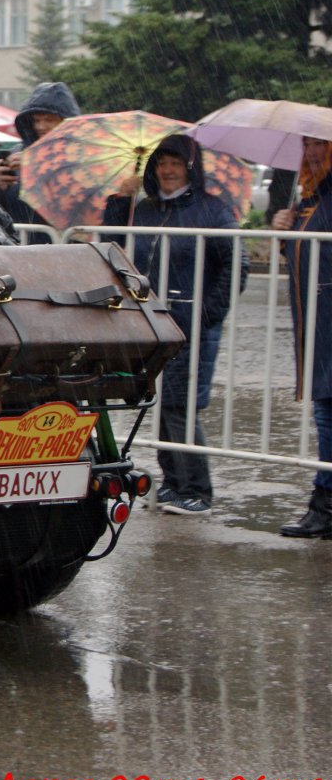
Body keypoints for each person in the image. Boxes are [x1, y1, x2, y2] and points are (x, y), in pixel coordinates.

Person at [104, 133, 243, 516]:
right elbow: (111, 245)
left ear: (190, 169)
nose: (167, 170)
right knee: (161, 402)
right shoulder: (144, 209)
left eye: (176, 164)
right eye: (161, 163)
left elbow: (235, 266)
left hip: (190, 325)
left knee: (181, 404)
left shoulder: (213, 211)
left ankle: (198, 489)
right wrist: (119, 201)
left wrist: (205, 315)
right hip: (152, 323)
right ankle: (172, 483)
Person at [269, 136, 332, 537]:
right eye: (307, 144)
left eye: (322, 144)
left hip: (326, 317)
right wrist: (283, 232)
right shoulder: (309, 197)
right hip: (316, 319)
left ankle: (324, 505)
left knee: (327, 412)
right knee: (325, 410)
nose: (311, 152)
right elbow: (303, 257)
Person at [0, 81, 81, 241]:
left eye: (49, 119)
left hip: (65, 247)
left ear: (66, 121)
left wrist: (36, 164)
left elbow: (72, 198)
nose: (41, 126)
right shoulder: (20, 152)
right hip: (21, 245)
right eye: (36, 120)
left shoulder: (81, 154)